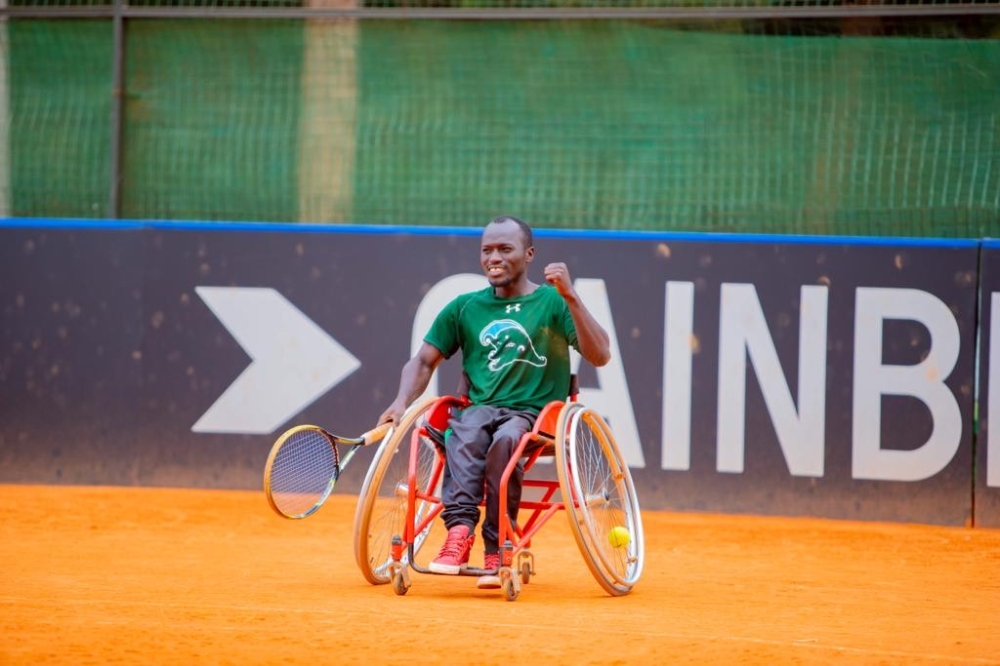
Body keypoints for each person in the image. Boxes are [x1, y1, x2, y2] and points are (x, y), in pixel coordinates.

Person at [378, 215, 611, 589]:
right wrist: (400, 401)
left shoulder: (553, 302)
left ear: (529, 254)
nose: (494, 258)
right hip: (481, 409)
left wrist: (571, 297)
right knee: (463, 431)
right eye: (487, 250)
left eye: (505, 249)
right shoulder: (465, 307)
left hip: (534, 416)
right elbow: (423, 361)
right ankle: (458, 533)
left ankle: (497, 543)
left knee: (506, 441)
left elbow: (600, 355)